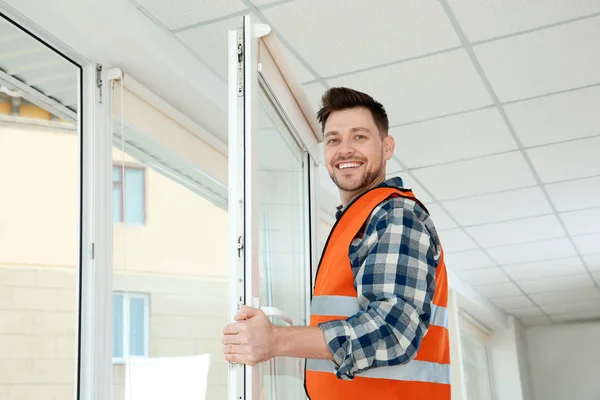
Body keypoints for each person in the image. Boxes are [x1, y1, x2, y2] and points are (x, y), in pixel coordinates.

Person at [222, 87, 451, 399]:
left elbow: (394, 331)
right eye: (334, 140)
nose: (345, 150)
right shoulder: (355, 221)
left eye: (359, 136)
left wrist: (276, 340)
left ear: (387, 147)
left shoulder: (396, 214)